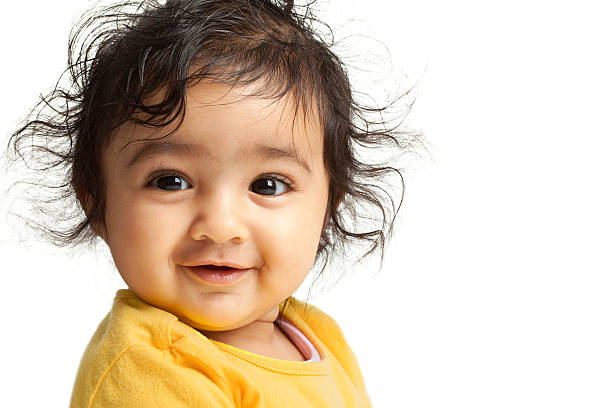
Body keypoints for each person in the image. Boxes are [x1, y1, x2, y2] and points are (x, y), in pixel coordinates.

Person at [4, 0, 419, 406]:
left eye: (268, 185)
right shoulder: (151, 370)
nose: (220, 226)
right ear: (95, 202)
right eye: (170, 182)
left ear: (330, 207)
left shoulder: (316, 336)